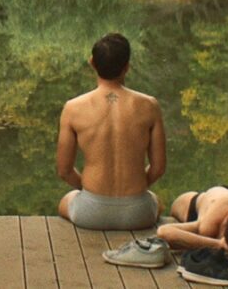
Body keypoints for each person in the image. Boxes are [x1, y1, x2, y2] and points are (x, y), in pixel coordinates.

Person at [56, 33, 167, 230]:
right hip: (138, 213)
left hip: (91, 212)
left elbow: (64, 170)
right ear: (127, 67)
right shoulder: (149, 105)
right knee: (155, 200)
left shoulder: (73, 108)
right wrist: (135, 192)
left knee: (68, 199)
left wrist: (90, 192)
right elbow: (158, 168)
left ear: (92, 62)